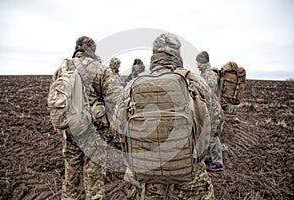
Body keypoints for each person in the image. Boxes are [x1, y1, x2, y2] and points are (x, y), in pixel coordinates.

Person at [114, 33, 216, 199]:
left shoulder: (133, 84)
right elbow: (216, 126)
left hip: (149, 179)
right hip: (191, 179)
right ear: (177, 54)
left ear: (154, 54)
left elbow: (117, 129)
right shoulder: (195, 82)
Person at [51, 36, 123, 200]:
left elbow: (55, 99)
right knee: (94, 178)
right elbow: (116, 100)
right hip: (94, 133)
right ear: (93, 50)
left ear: (77, 48)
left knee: (71, 176)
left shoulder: (62, 69)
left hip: (70, 130)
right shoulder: (102, 71)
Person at [196, 51, 225, 172]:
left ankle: (218, 163)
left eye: (197, 61)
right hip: (209, 108)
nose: (196, 64)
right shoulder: (205, 74)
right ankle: (209, 157)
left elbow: (210, 92)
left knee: (213, 135)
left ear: (201, 62)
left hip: (212, 110)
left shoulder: (209, 75)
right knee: (207, 133)